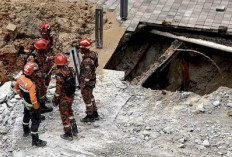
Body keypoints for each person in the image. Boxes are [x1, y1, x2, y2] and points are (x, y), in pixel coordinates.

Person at [15, 62, 47, 147]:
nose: (37, 73)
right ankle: (35, 140)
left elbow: (16, 87)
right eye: (35, 71)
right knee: (35, 122)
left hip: (26, 103)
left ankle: (25, 131)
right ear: (32, 73)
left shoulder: (21, 78)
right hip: (32, 106)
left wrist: (21, 96)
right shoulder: (31, 85)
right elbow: (33, 99)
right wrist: (37, 109)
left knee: (26, 117)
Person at [52, 53, 78, 141]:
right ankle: (74, 129)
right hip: (71, 95)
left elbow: (58, 90)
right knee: (70, 111)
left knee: (64, 115)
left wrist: (55, 99)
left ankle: (68, 133)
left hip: (64, 97)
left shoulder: (59, 75)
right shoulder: (72, 70)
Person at [26, 38, 53, 113]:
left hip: (41, 78)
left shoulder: (41, 53)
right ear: (41, 49)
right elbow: (31, 70)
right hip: (35, 79)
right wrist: (41, 74)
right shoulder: (32, 58)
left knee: (42, 91)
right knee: (36, 93)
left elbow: (44, 60)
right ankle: (36, 110)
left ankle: (42, 106)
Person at [78, 39, 99, 122]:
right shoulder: (93, 54)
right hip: (92, 80)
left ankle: (89, 115)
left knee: (87, 98)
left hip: (88, 82)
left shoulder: (87, 61)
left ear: (84, 48)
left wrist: (84, 84)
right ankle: (95, 112)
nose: (79, 50)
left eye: (81, 48)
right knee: (91, 96)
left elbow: (88, 74)